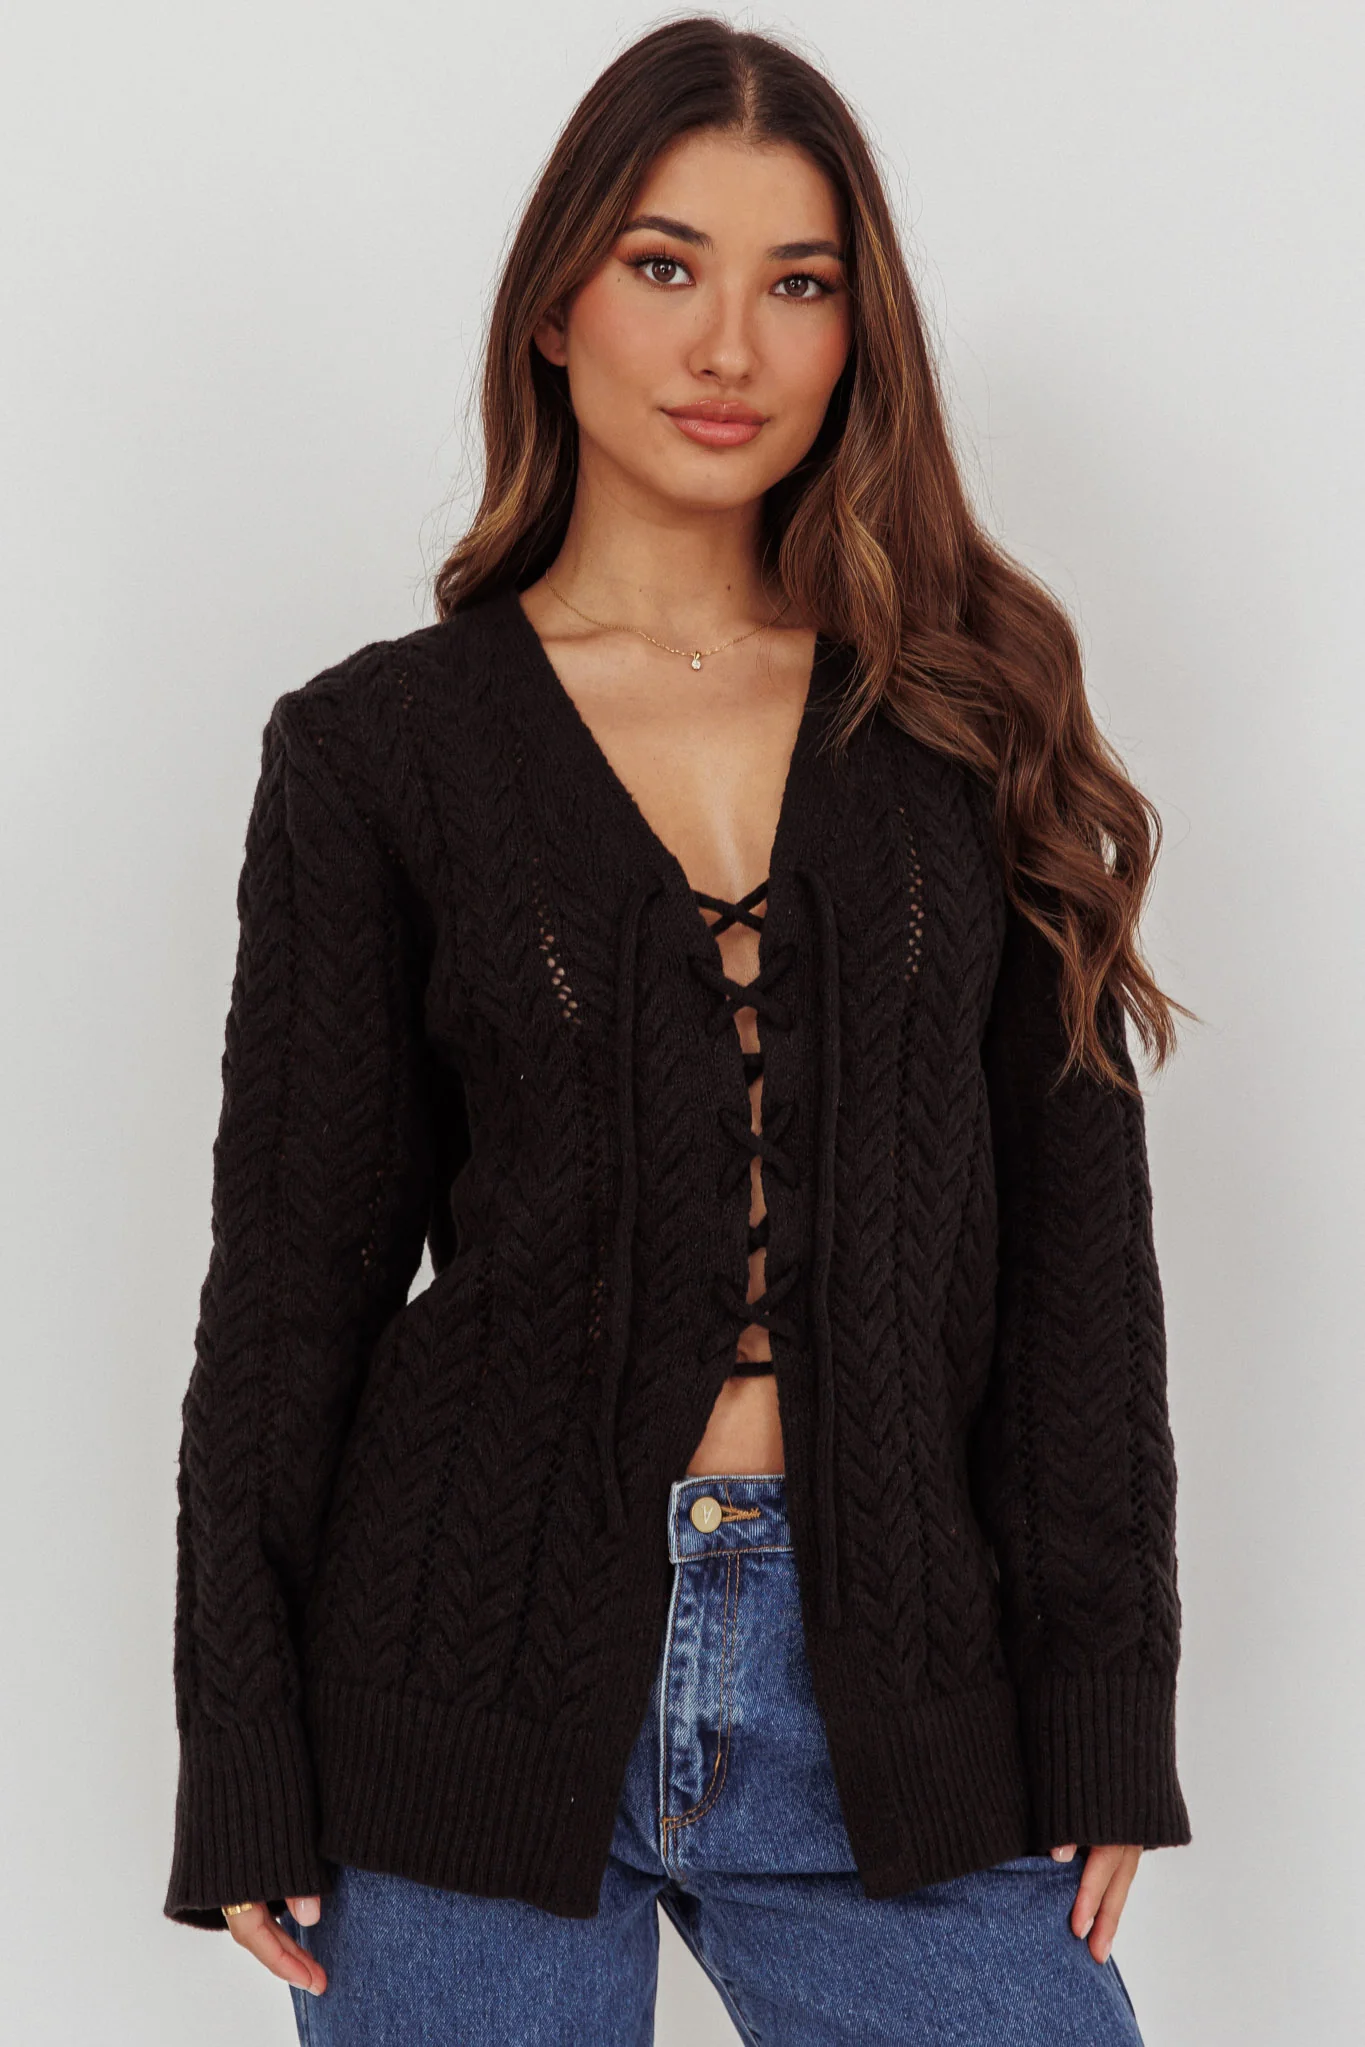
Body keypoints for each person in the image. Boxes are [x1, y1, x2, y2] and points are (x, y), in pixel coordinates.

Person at [163, 18, 1192, 2043]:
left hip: (891, 1690)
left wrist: (1102, 1702)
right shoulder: (378, 752)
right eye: (665, 266)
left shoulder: (958, 728)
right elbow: (288, 1294)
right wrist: (243, 1748)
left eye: (798, 283)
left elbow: (1077, 1272)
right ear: (557, 307)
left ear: (857, 334)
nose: (730, 345)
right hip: (456, 1689)